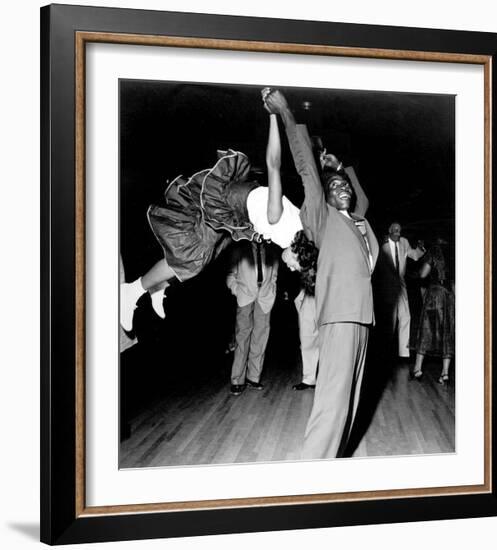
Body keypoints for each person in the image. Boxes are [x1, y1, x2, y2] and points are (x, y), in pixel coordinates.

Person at [120, 100, 313, 333]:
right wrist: (273, 115)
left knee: (199, 257)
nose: (291, 270)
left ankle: (156, 285)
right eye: (296, 267)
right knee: (191, 257)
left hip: (238, 217)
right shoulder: (278, 219)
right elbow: (273, 164)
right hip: (227, 201)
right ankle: (132, 292)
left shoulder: (300, 231)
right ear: (297, 252)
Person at [264, 88, 379, 459]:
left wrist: (343, 166)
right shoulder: (322, 218)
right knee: (333, 401)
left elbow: (362, 200)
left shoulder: (357, 219)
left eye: (343, 185)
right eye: (334, 187)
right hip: (341, 315)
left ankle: (331, 465)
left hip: (363, 318)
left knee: (351, 402)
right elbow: (307, 170)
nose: (341, 188)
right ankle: (312, 471)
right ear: (324, 199)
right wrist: (285, 112)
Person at [292, 163, 370, 391]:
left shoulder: (347, 222)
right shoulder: (312, 221)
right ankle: (309, 378)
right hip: (310, 292)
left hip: (335, 297)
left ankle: (328, 381)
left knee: (331, 343)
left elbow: (362, 202)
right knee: (307, 337)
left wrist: (341, 167)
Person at [226, 241, 279, 395]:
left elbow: (274, 274)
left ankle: (253, 378)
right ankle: (237, 380)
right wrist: (237, 290)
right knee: (242, 338)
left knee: (260, 338)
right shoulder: (239, 247)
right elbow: (230, 274)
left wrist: (272, 289)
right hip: (244, 296)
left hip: (265, 297)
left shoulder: (271, 249)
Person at [375, 222, 425, 359]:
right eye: (395, 230)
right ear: (389, 231)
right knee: (390, 319)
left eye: (400, 230)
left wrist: (420, 248)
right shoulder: (381, 244)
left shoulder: (404, 242)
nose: (398, 233)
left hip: (400, 284)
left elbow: (414, 255)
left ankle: (403, 353)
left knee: (406, 316)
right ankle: (386, 352)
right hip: (386, 284)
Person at [411, 239, 455, 384]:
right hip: (449, 295)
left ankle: (417, 368)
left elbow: (423, 274)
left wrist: (416, 272)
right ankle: (445, 372)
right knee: (447, 331)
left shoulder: (434, 250)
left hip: (435, 293)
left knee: (426, 329)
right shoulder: (454, 251)